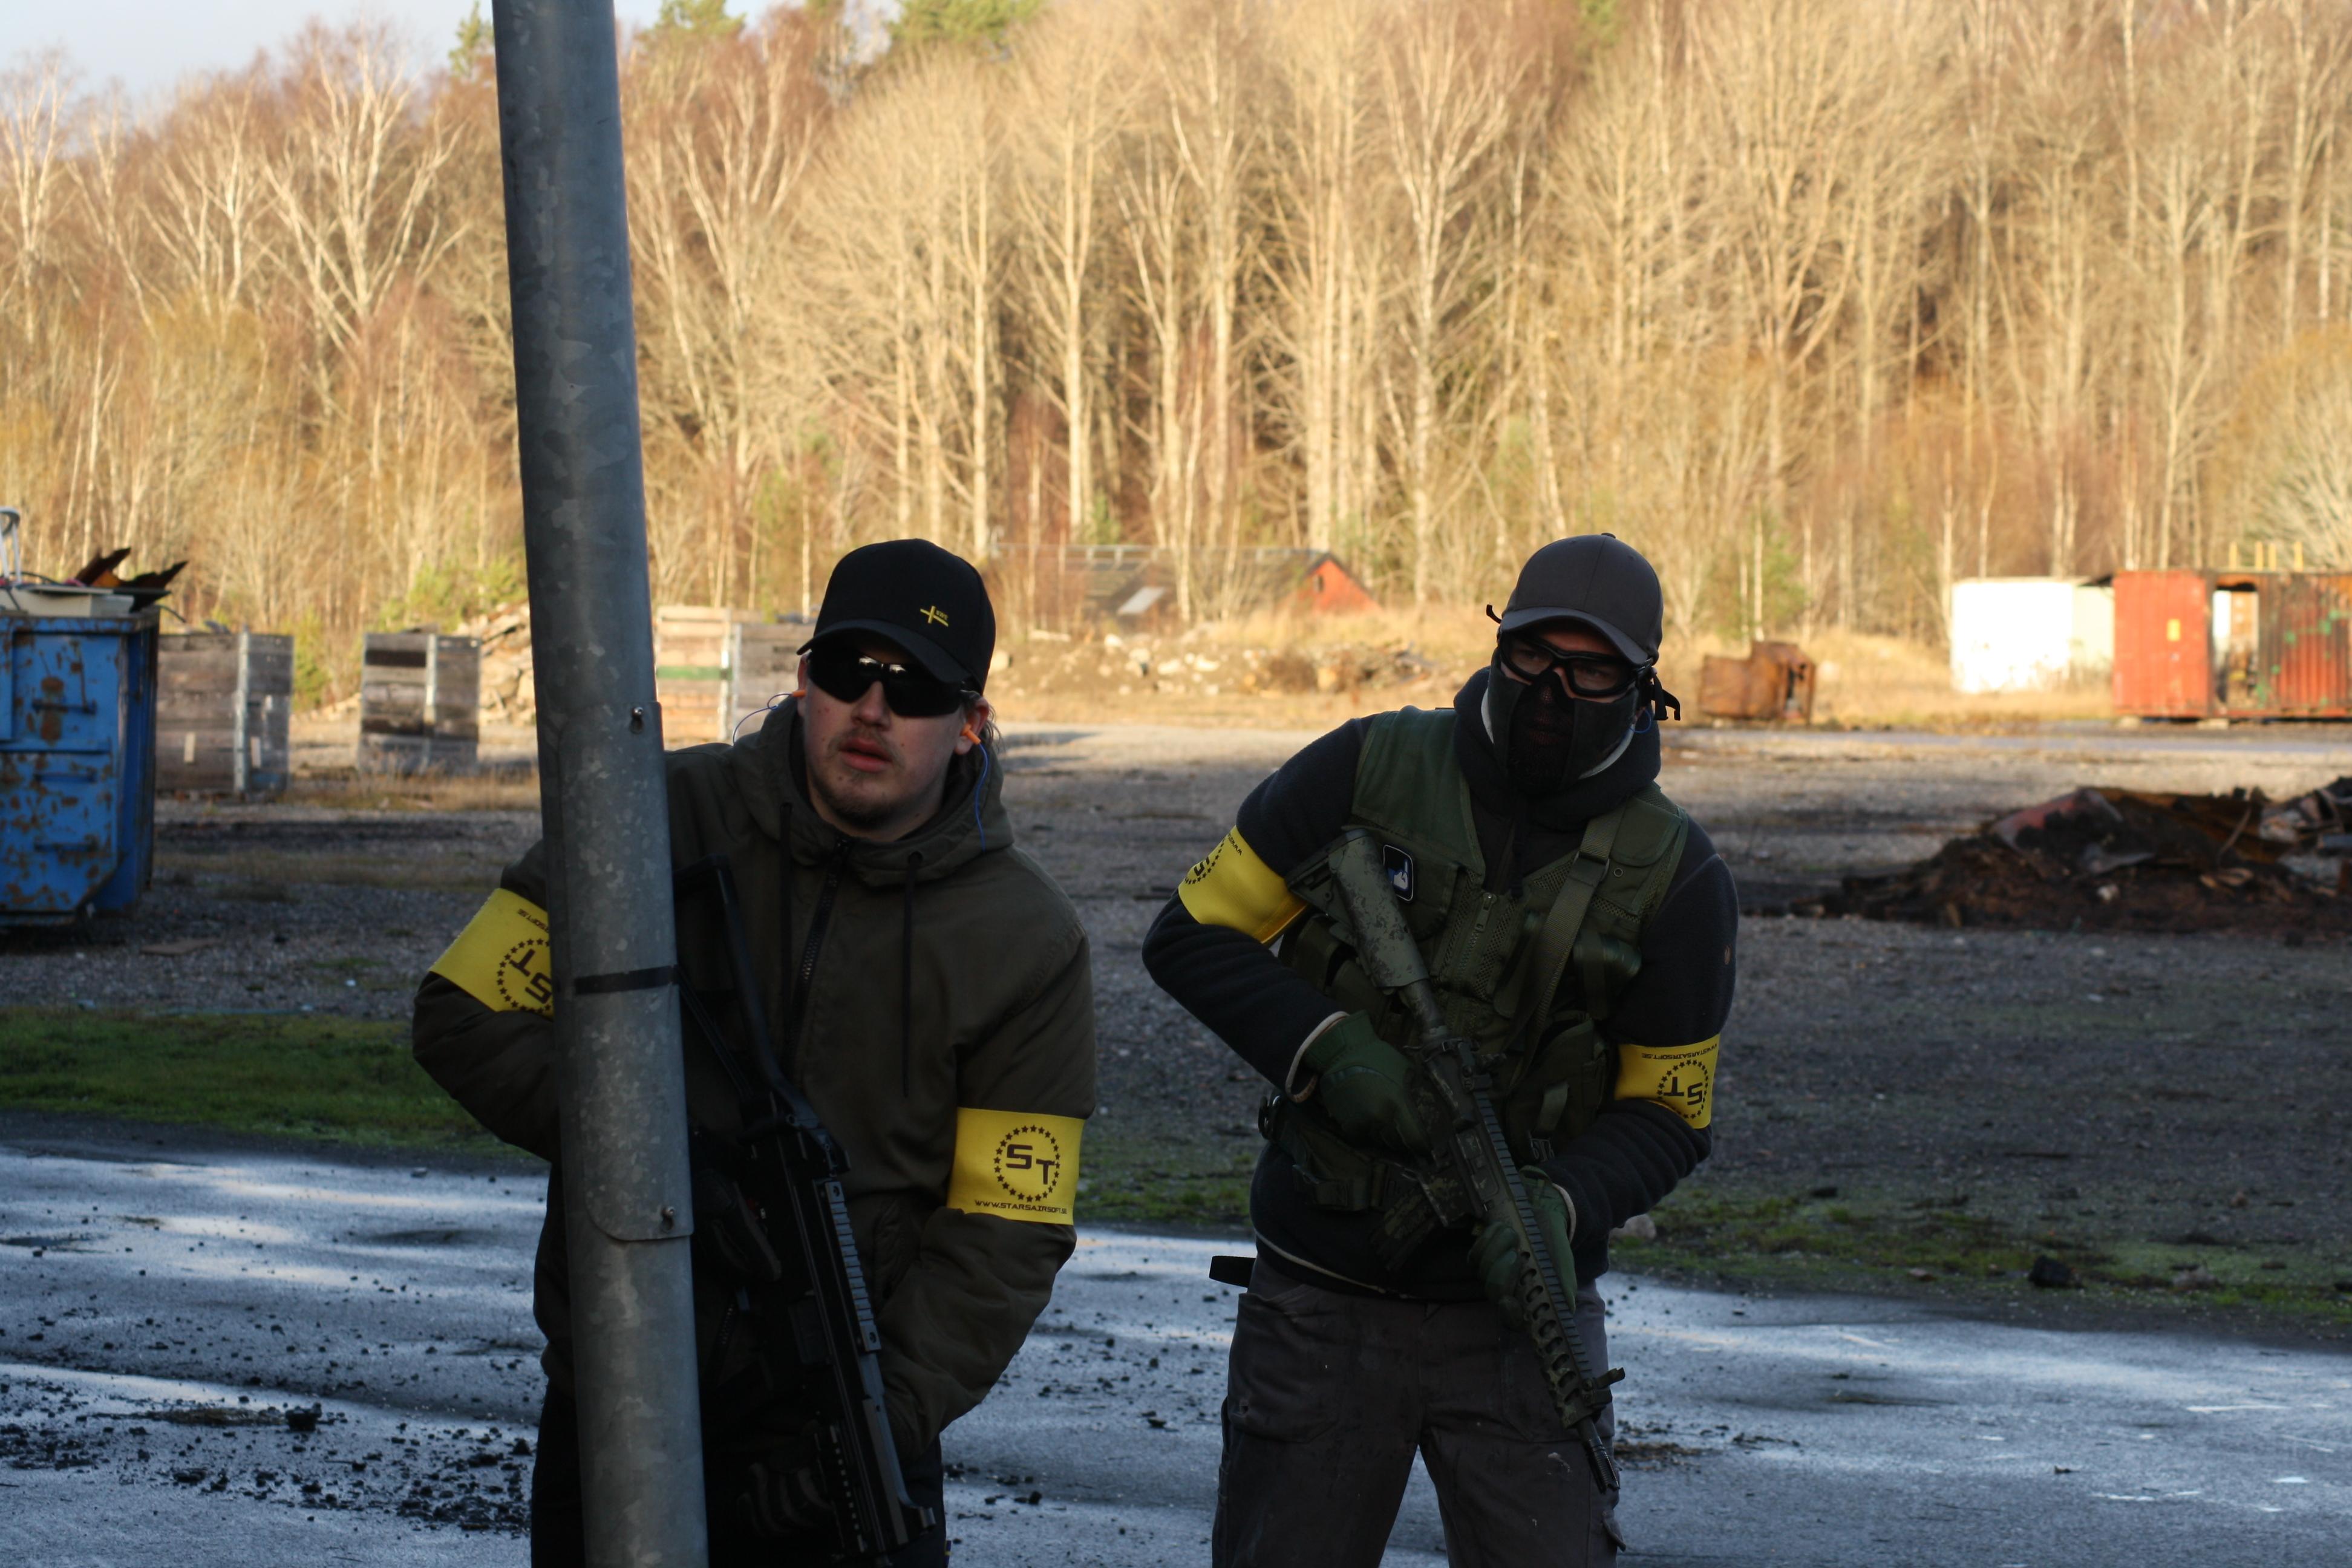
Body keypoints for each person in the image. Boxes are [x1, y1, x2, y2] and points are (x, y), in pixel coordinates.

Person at [411, 539, 1095, 1567]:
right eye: (848, 670)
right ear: (805, 680)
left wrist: (878, 1427)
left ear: (971, 725)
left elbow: (1008, 1228)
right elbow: (464, 1012)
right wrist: (659, 1161)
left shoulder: (1027, 941)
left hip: (842, 1433)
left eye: (914, 688)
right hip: (620, 1393)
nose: (873, 708)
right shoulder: (651, 819)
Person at [1143, 534, 1737, 1568]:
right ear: (1497, 645)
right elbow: (1189, 932)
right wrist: (1327, 1047)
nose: (1553, 691)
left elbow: (1671, 1111)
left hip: (1522, 1321)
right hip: (1320, 1298)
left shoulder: (1678, 877)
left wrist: (1562, 1207)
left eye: (1592, 671)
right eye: (1531, 656)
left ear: (1645, 690)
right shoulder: (1365, 767)